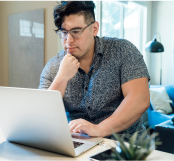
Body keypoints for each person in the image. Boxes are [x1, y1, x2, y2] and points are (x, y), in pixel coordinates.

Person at [38, 1, 150, 142]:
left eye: (76, 32)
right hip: (79, 144)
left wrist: (99, 129)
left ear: (94, 28)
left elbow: (140, 99)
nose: (68, 41)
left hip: (127, 145)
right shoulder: (54, 66)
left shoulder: (123, 50)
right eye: (64, 32)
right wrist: (61, 77)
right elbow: (41, 116)